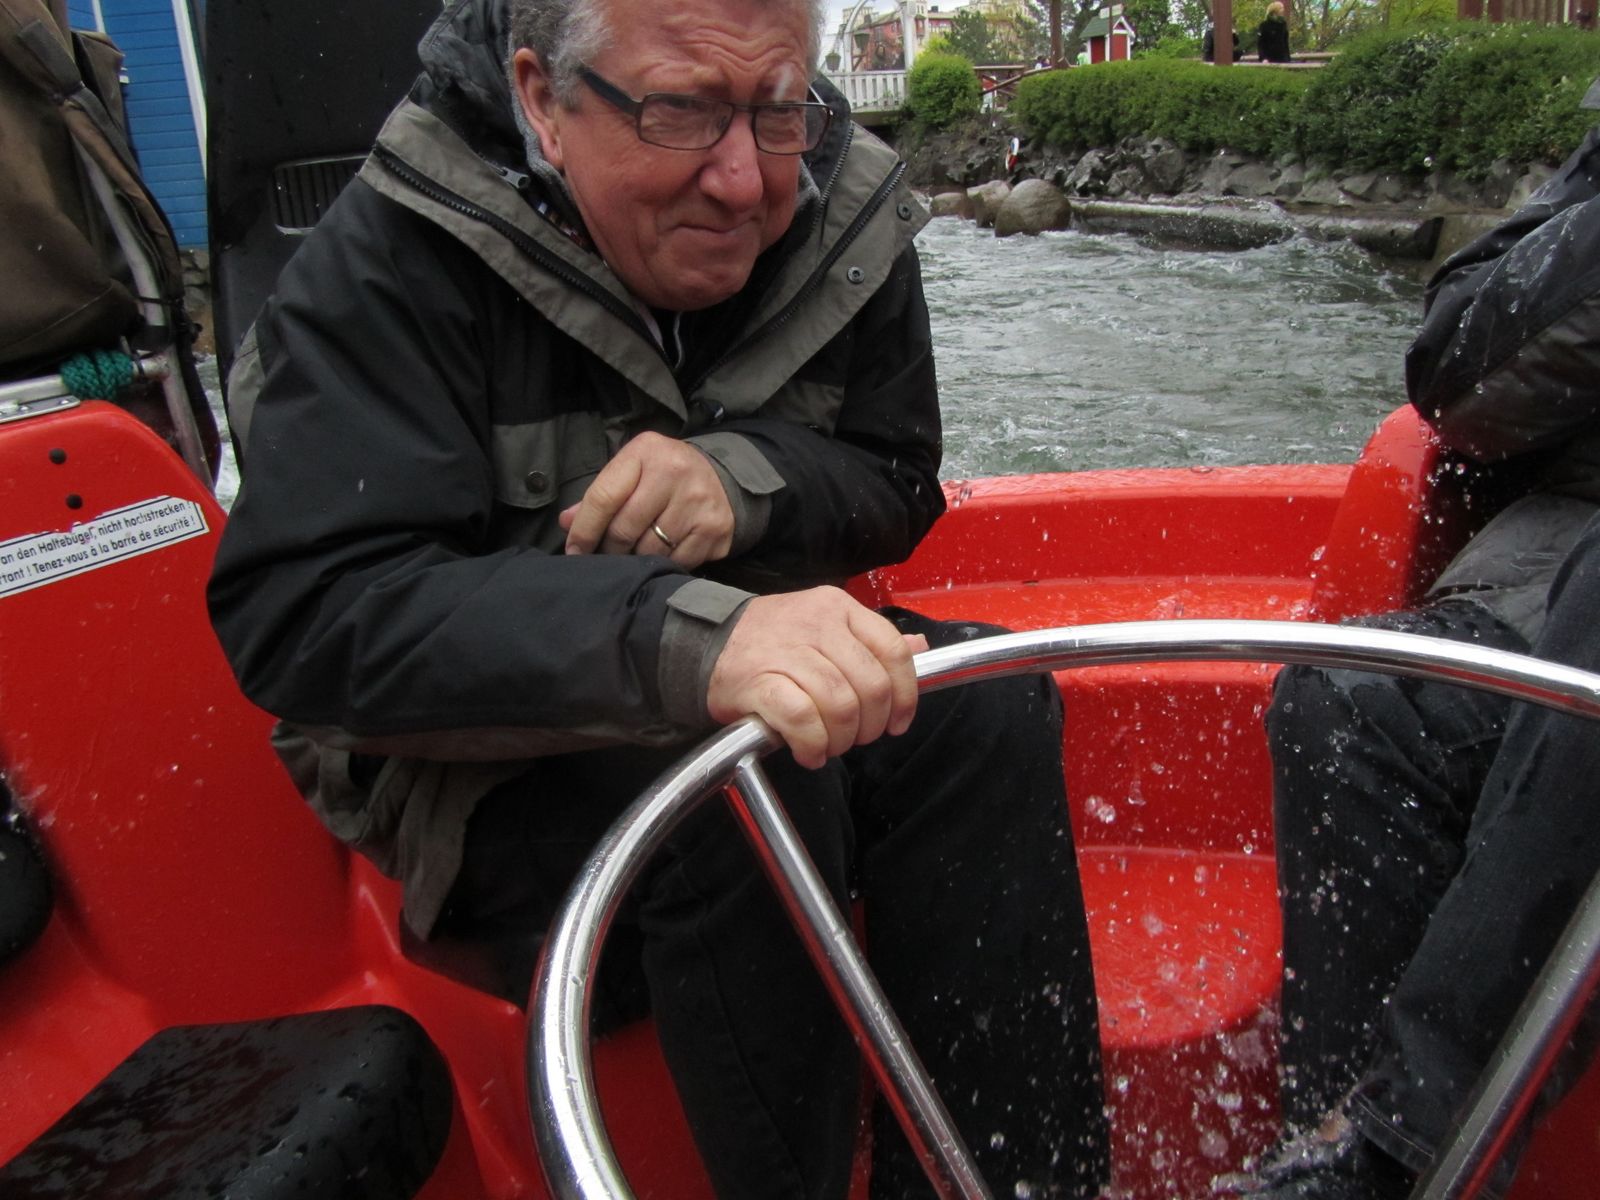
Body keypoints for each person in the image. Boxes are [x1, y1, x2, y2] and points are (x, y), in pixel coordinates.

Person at [206, 1, 1110, 1198]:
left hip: (753, 668)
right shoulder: (384, 262)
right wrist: (695, 642)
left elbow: (895, 475)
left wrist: (743, 484)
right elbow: (311, 616)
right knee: (744, 784)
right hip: (471, 772)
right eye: (681, 111)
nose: (744, 181)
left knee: (980, 705)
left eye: (779, 109)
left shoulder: (843, 206)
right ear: (543, 99)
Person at [1250, 111, 1600, 1198]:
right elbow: (1451, 374)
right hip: (1557, 568)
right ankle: (1327, 1137)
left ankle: (1397, 1155)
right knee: (1354, 699)